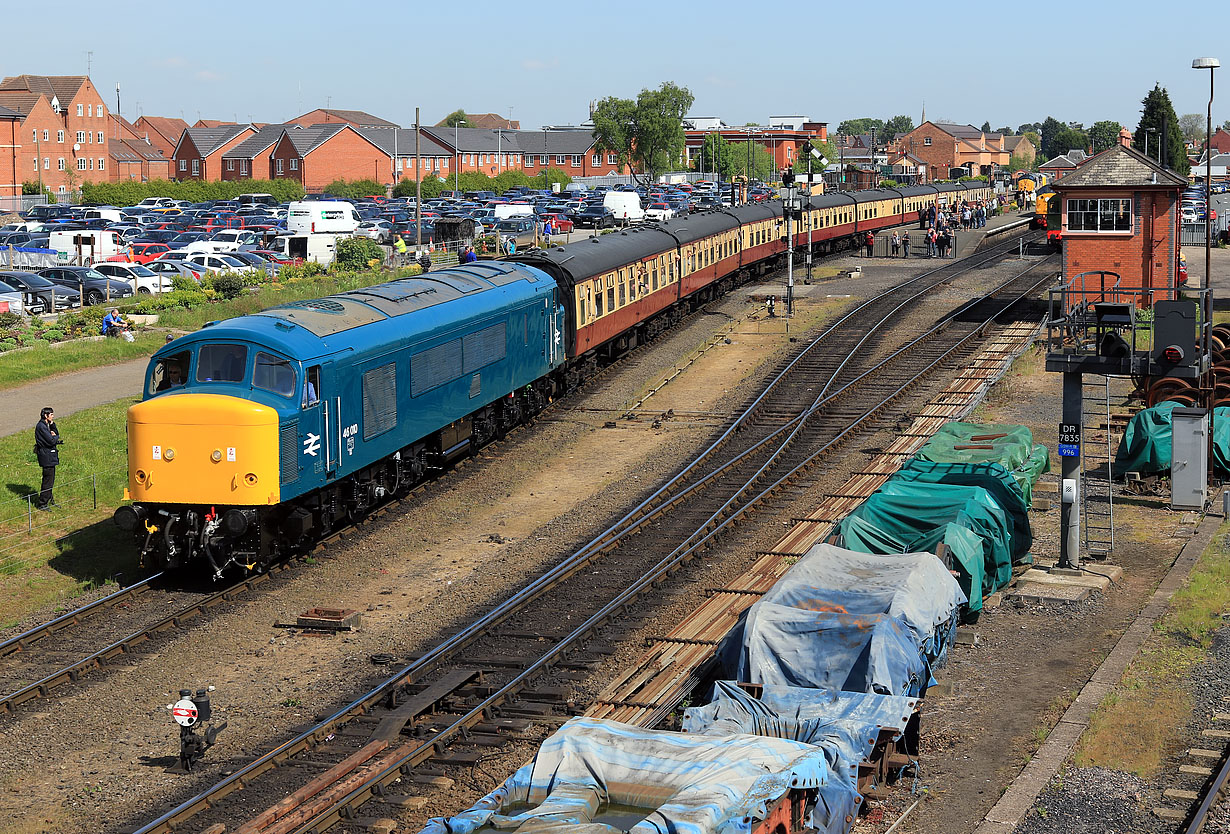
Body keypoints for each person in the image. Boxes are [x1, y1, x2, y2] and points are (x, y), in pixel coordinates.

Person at [34, 407, 62, 510]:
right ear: (46, 415)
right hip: (46, 456)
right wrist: (55, 437)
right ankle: (43, 503)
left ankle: (49, 499)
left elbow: (54, 435)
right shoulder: (41, 426)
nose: (53, 416)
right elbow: (51, 440)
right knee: (47, 480)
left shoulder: (47, 425)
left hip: (50, 455)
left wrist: (53, 425)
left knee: (51, 479)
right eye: (51, 415)